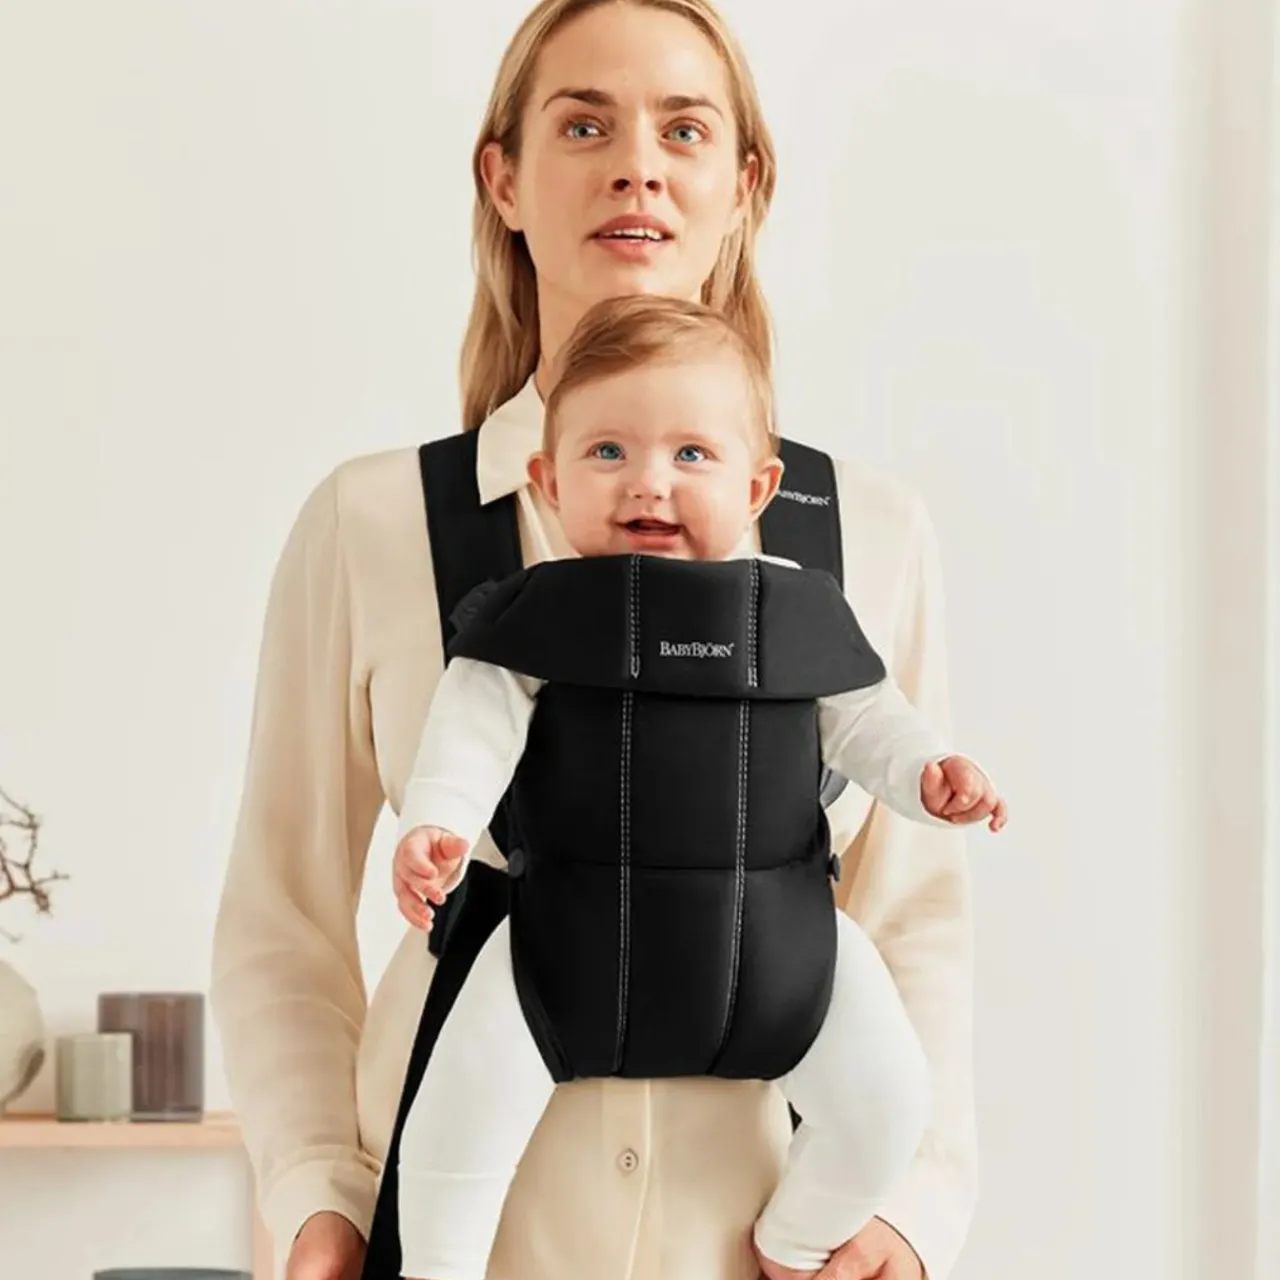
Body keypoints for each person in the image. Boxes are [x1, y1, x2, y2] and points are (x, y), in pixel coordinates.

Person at [209, 2, 982, 1279]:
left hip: (768, 1249)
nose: (635, 166)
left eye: (682, 129)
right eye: (583, 125)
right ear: (502, 178)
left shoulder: (868, 532)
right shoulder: (371, 522)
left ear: (742, 187)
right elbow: (281, 918)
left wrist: (909, 1209)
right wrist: (316, 1197)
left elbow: (915, 917)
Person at [388, 295, 1006, 1280]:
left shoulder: (799, 612)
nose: (648, 481)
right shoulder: (529, 618)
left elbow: (867, 721)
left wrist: (929, 773)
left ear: (757, 485)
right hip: (560, 945)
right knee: (452, 1125)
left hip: (784, 945)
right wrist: (438, 824)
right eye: (606, 452)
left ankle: (795, 1236)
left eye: (690, 453)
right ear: (546, 479)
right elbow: (467, 734)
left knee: (889, 1101)